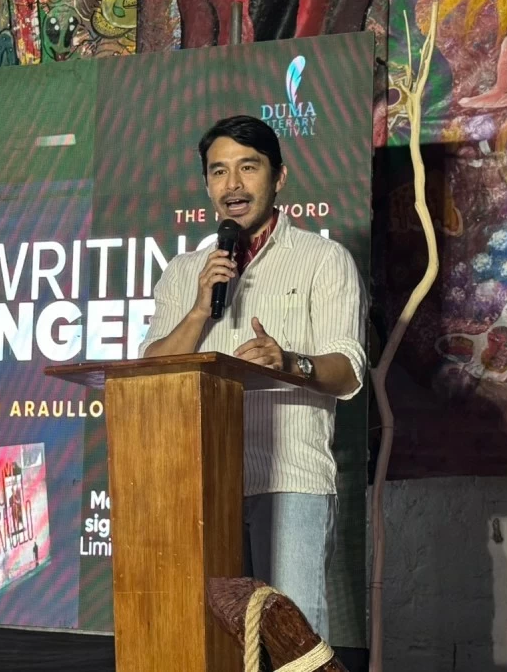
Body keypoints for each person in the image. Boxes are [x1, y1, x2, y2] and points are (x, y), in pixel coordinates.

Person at [138, 114, 367, 640]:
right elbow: (151, 369)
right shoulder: (185, 270)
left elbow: (349, 367)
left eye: (248, 168)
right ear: (207, 185)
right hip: (204, 482)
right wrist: (199, 309)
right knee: (213, 640)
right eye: (219, 172)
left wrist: (292, 362)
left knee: (292, 638)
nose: (233, 185)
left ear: (279, 177)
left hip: (290, 480)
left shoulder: (322, 259)